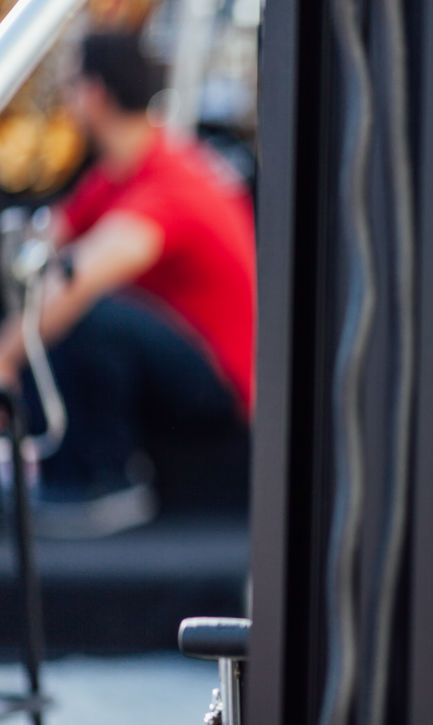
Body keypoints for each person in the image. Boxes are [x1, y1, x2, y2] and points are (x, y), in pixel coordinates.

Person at [0, 31, 255, 536]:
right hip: (182, 369)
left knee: (87, 311)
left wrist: (4, 360)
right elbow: (46, 240)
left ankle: (102, 481)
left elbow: (80, 277)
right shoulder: (122, 171)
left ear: (94, 93)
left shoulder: (169, 181)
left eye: (71, 85)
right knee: (57, 300)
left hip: (220, 391)